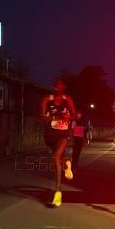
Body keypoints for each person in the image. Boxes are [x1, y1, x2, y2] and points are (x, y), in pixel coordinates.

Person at [40, 77, 76, 207]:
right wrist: (55, 117)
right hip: (50, 135)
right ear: (54, 87)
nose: (58, 88)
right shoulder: (46, 99)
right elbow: (41, 118)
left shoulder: (68, 99)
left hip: (63, 134)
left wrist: (68, 117)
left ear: (64, 87)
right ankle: (67, 165)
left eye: (60, 85)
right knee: (59, 159)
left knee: (56, 158)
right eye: (56, 85)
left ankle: (58, 193)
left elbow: (75, 115)